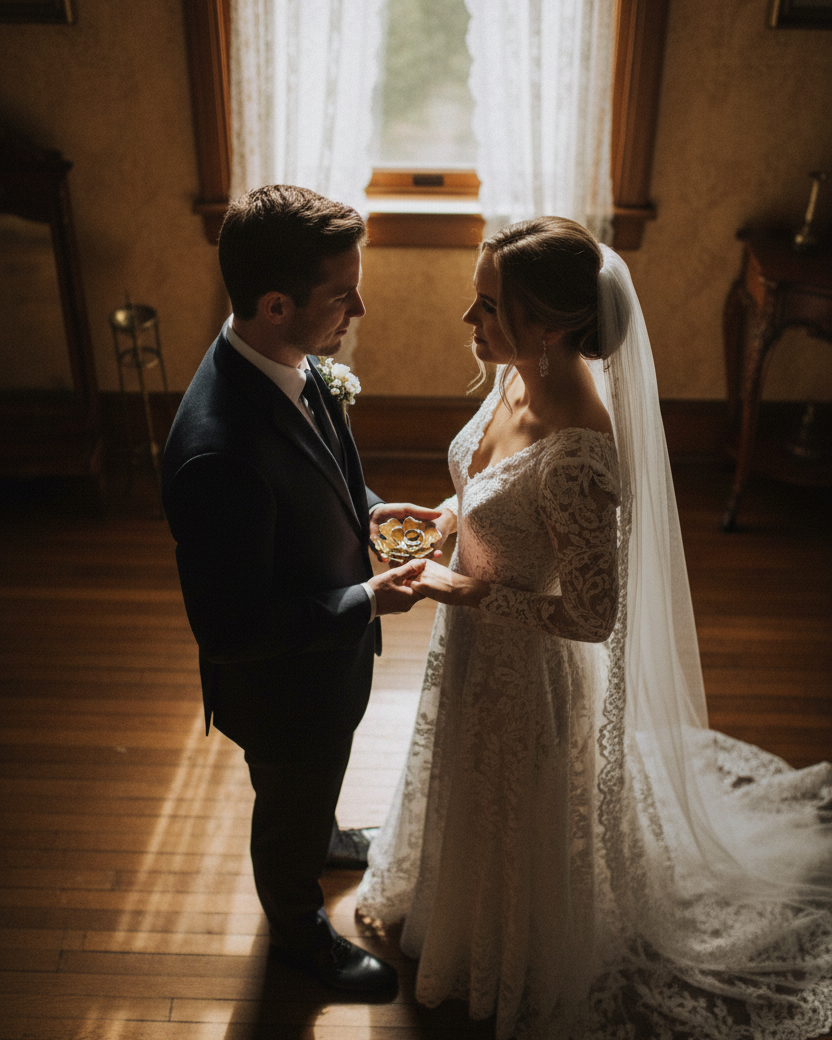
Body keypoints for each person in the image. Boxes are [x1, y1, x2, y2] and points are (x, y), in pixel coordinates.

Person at [356, 217, 832, 1038]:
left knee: (517, 818)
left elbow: (591, 614)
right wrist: (441, 520)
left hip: (525, 676)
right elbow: (491, 492)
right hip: (469, 652)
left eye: (488, 307)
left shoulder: (580, 452)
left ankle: (508, 948)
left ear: (547, 327)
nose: (470, 322)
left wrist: (465, 594)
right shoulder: (518, 377)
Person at [163, 184, 440, 994]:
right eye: (342, 293)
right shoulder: (219, 452)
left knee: (318, 783)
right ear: (278, 304)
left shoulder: (286, 359)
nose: (360, 305)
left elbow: (325, 471)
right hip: (283, 689)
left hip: (327, 666)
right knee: (289, 799)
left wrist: (375, 509)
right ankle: (296, 933)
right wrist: (368, 600)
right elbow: (232, 630)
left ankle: (319, 836)